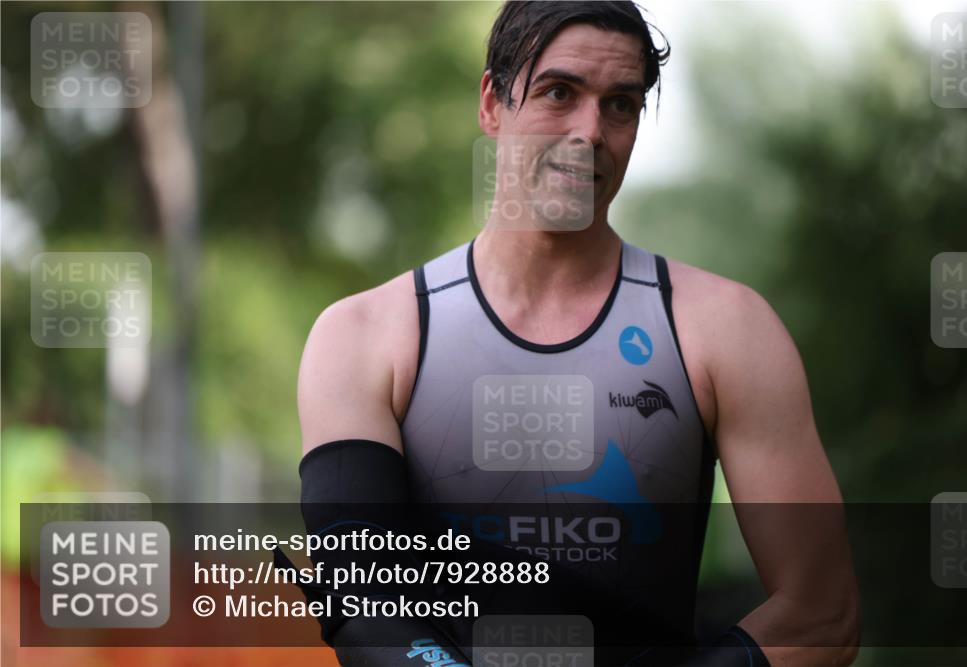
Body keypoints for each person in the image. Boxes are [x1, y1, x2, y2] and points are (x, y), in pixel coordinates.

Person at [293, 2, 860, 665]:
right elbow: (364, 599)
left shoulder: (725, 329)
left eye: (620, 105)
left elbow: (824, 615)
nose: (590, 131)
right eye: (559, 92)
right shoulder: (364, 337)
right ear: (491, 104)